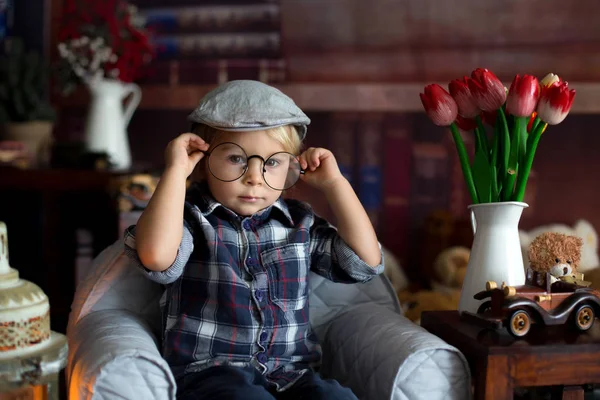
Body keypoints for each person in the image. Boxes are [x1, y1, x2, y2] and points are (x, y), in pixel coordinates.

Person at [123, 80, 384, 399]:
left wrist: (335, 184)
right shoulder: (192, 218)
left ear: (290, 166)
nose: (253, 176)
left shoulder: (299, 223)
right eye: (236, 158)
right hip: (210, 374)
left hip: (291, 374)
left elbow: (364, 263)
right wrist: (177, 171)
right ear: (203, 160)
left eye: (272, 162)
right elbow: (155, 256)